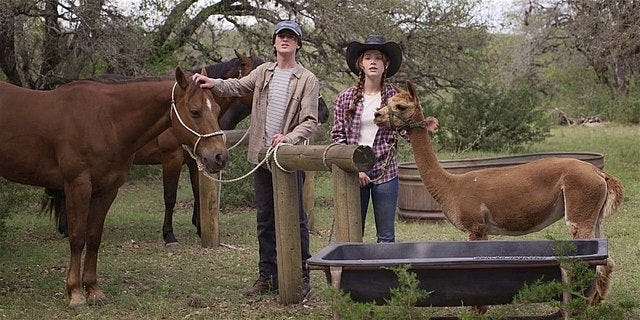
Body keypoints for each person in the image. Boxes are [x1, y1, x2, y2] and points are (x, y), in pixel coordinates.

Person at [192, 20, 319, 298]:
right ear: (274, 43)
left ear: (297, 44)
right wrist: (212, 82)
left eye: (290, 37)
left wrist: (289, 137)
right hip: (262, 157)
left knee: (296, 219)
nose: (285, 40)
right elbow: (236, 86)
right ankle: (267, 277)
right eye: (281, 36)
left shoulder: (308, 79)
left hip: (288, 157)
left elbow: (310, 120)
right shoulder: (263, 72)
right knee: (265, 218)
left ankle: (302, 275)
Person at [330, 34, 405, 243]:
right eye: (368, 57)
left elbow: (407, 131)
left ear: (386, 64)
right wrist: (356, 167)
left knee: (386, 235)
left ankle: (385, 275)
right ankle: (356, 273)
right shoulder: (345, 98)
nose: (373, 62)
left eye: (378, 58)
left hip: (385, 170)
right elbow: (337, 137)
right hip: (354, 172)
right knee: (354, 232)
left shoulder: (395, 97)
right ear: (360, 64)